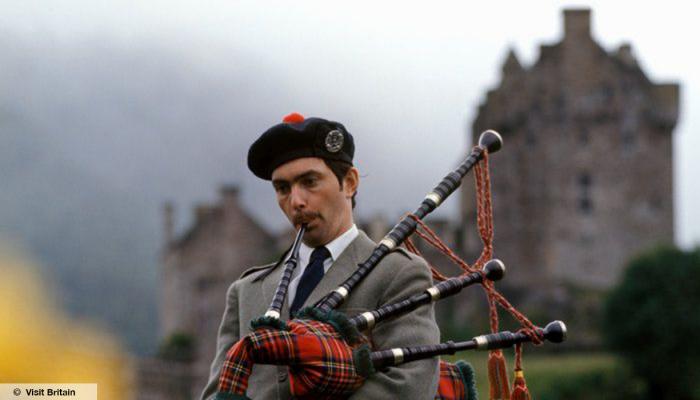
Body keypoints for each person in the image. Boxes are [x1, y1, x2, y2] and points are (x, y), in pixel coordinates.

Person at [200, 113, 440, 399]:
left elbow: (410, 385)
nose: (296, 201)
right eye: (283, 188)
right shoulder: (246, 292)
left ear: (349, 182)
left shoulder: (397, 274)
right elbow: (219, 392)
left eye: (310, 181)